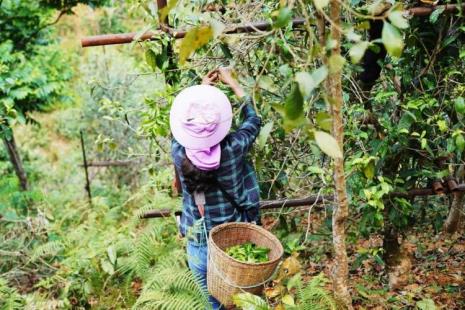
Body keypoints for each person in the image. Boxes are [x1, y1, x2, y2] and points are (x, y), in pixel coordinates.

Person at [169, 67, 262, 309]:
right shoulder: (233, 147)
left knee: (211, 303)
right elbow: (253, 120)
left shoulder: (179, 152)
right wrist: (233, 83)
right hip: (231, 238)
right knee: (241, 300)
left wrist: (202, 90)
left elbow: (178, 129)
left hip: (198, 239)